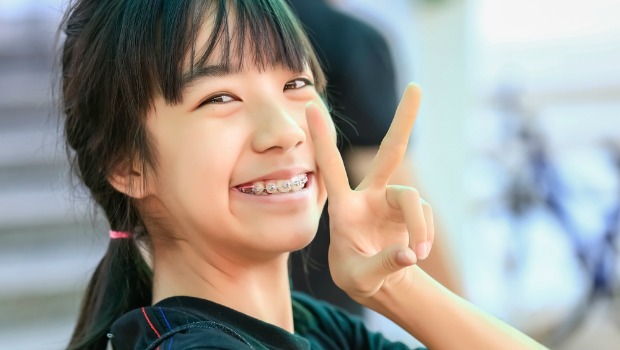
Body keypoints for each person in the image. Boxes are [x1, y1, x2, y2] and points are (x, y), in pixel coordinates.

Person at [59, 0, 545, 349]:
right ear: (127, 164)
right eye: (219, 97)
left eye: (296, 83)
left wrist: (394, 286)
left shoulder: (318, 327)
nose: (285, 131)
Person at [286, 0, 462, 316]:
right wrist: (463, 313)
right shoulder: (350, 39)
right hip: (326, 308)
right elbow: (390, 182)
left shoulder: (193, 29)